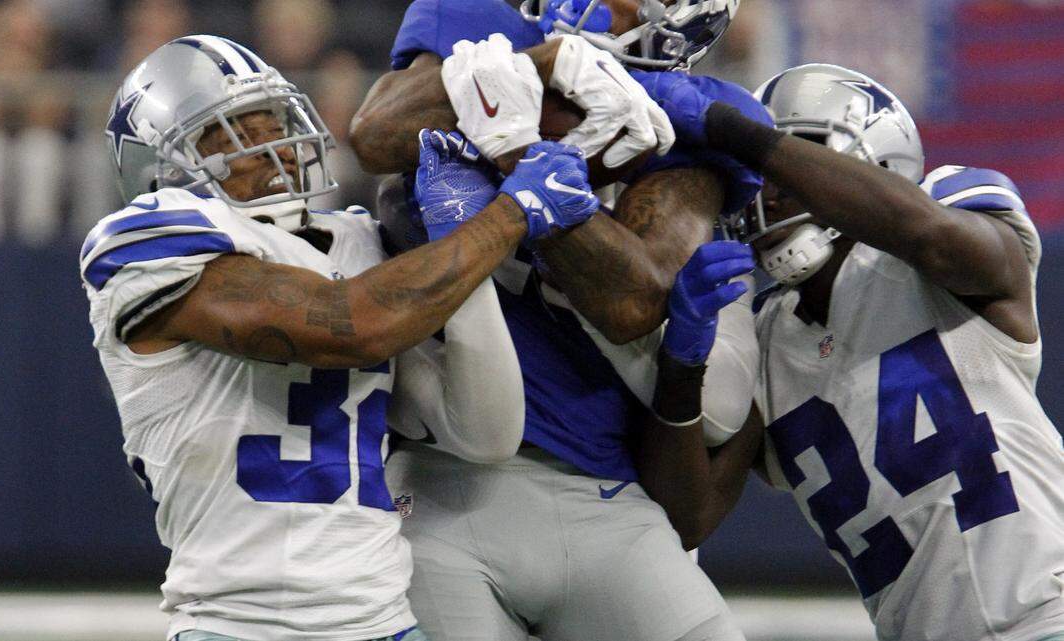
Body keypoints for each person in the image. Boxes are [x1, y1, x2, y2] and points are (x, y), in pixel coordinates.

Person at [80, 34, 603, 641]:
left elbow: (486, 433)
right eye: (235, 134)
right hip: (237, 624)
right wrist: (510, 216)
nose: (273, 145)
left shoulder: (355, 240)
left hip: (385, 619)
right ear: (165, 169)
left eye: (272, 120)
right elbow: (350, 326)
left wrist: (456, 230)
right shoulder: (140, 243)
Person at [352, 2, 766, 640]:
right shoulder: (477, 15)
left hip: (603, 494)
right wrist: (540, 65)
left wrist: (515, 150)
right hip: (439, 482)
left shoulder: (690, 108)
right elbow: (376, 133)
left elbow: (631, 301)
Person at [635, 62, 1064, 641]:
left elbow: (933, 239)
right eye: (749, 175)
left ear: (873, 157)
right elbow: (691, 516)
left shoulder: (942, 232)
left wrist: (740, 134)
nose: (765, 189)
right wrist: (682, 365)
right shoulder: (760, 341)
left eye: (793, 159)